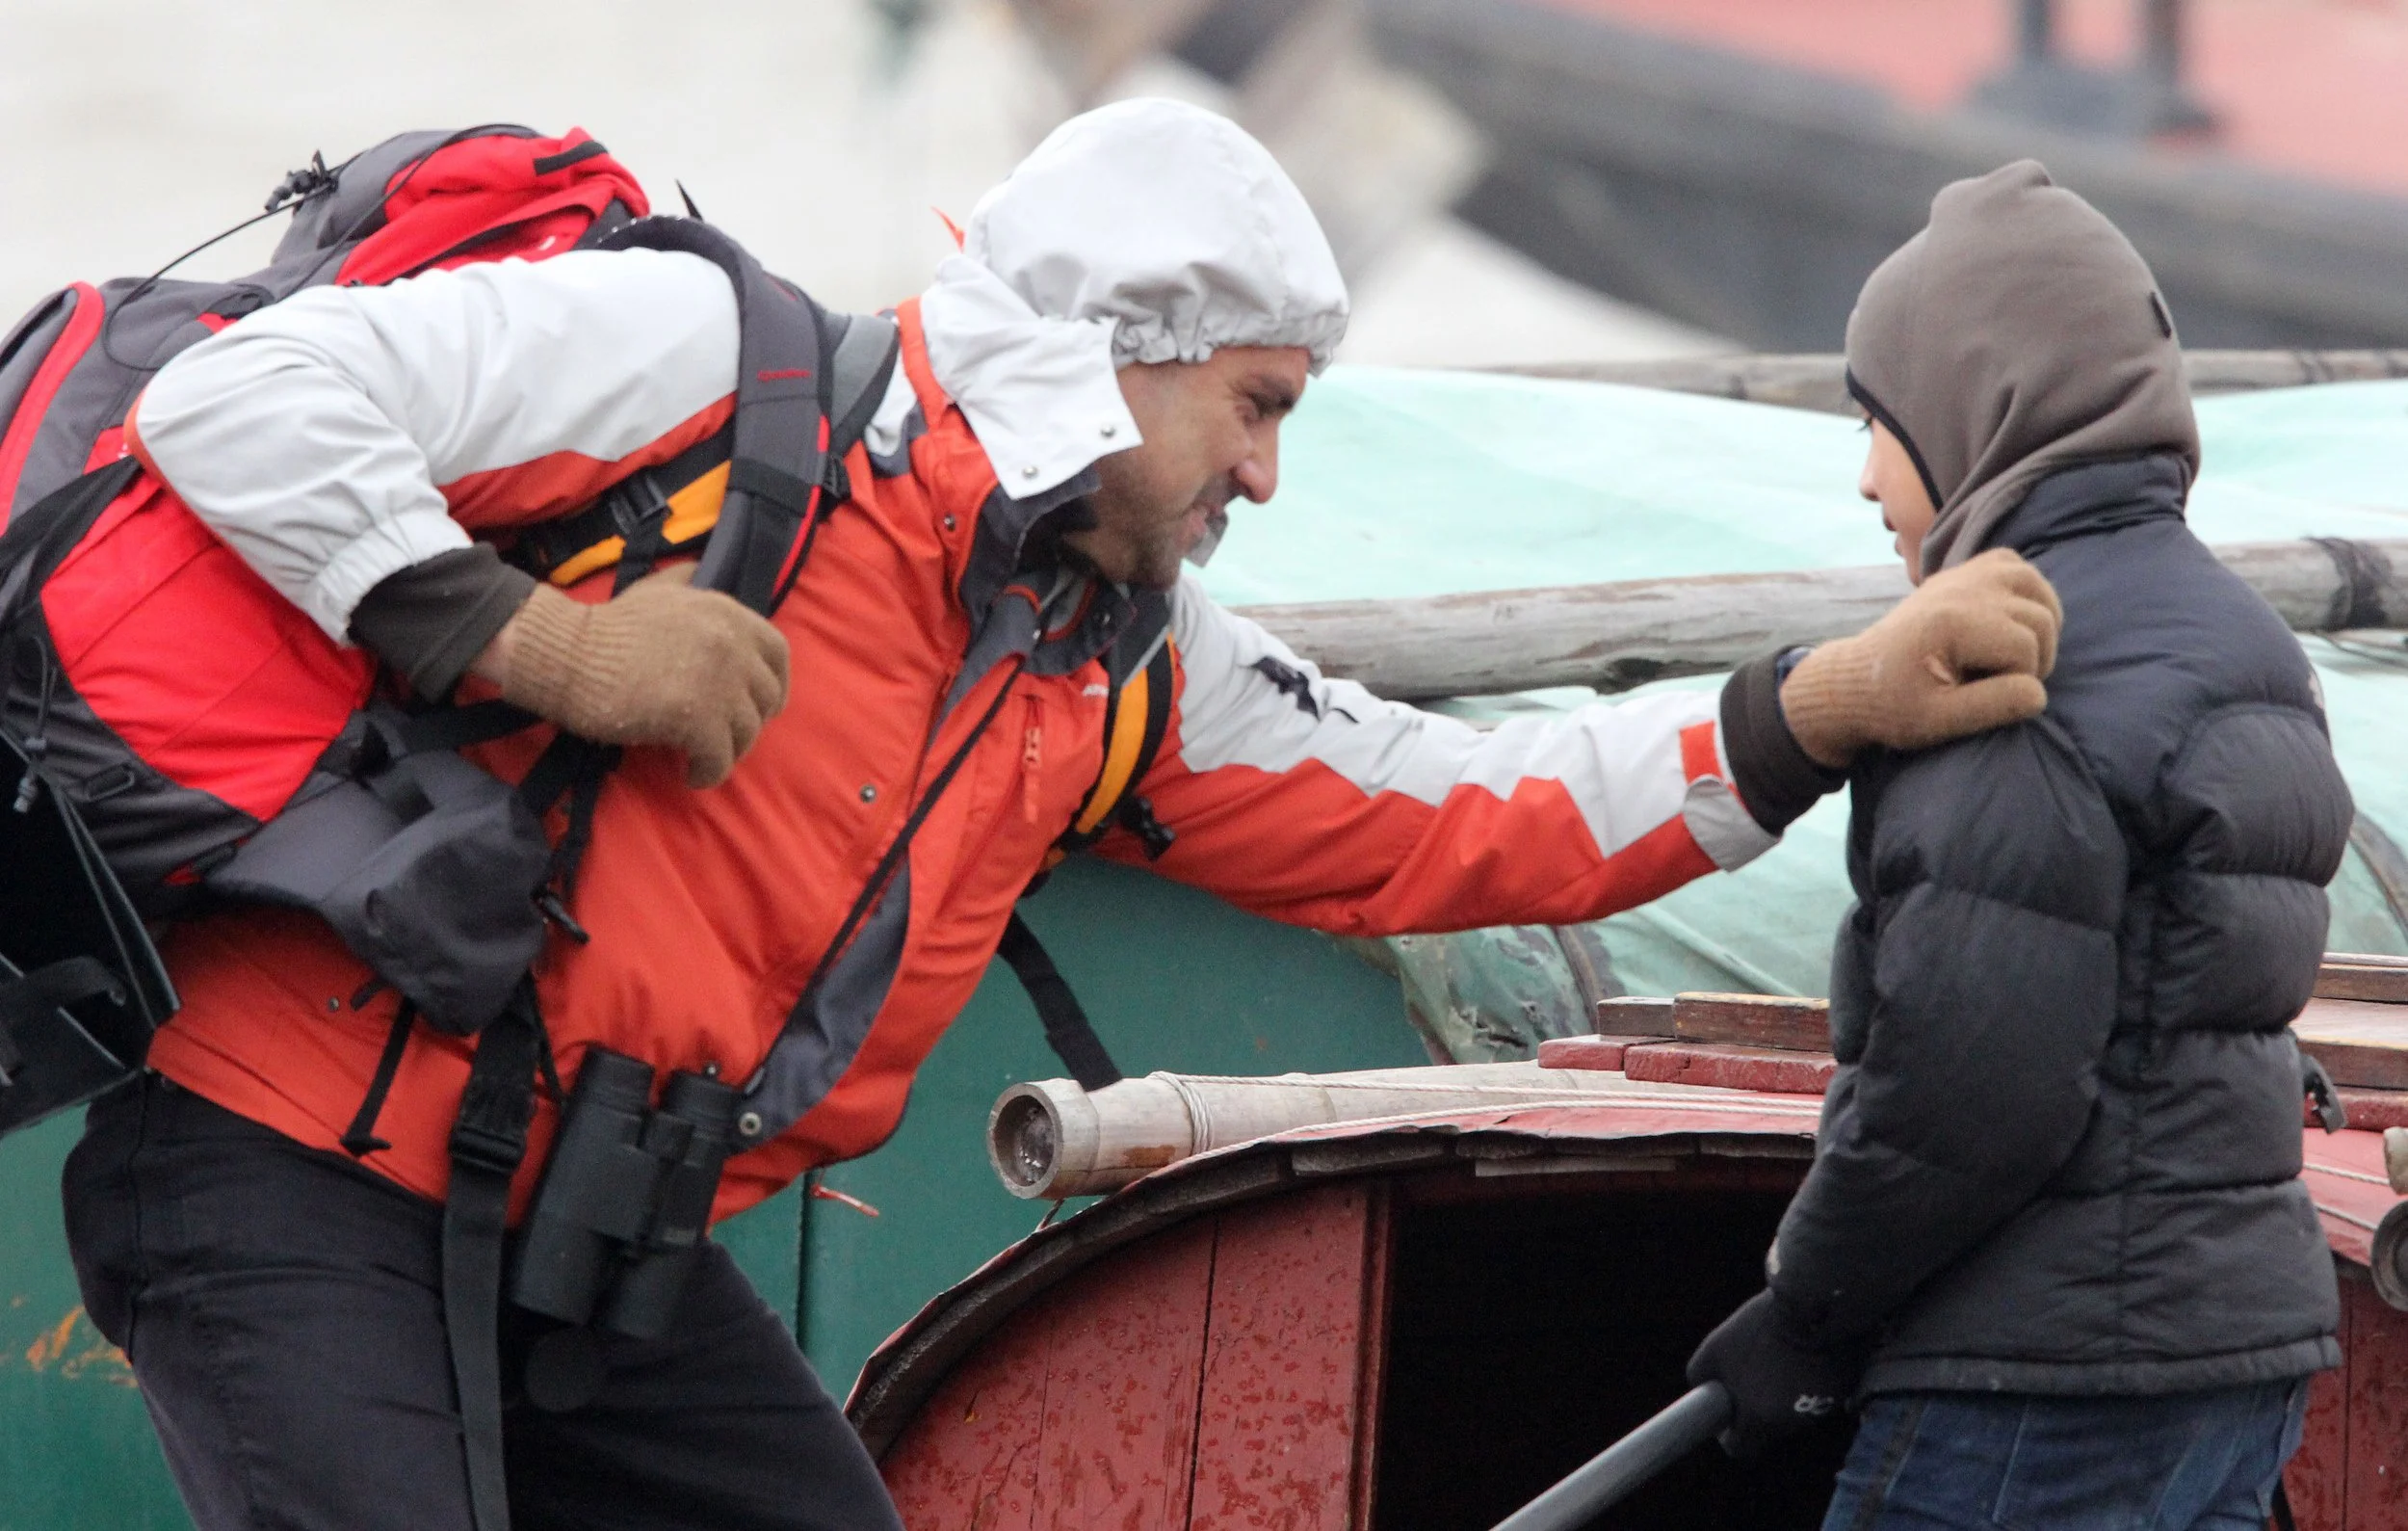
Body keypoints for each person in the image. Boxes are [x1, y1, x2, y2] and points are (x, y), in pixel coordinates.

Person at [63, 102, 2061, 1531]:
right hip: (290, 1172)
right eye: (1257, 405)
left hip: (582, 1246)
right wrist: (542, 646)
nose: (1265, 476)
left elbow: (1443, 807)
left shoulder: (1108, 657)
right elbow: (243, 404)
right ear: (1125, 356)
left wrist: (1812, 708)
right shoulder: (714, 373)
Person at [1685, 160, 2352, 1531]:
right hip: (2235, 1363)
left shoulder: (2009, 668)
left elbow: (1966, 1091)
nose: (1867, 472)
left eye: (1879, 419)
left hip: (2038, 1390)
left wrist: (1805, 1313)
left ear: (1971, 404)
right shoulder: (2250, 647)